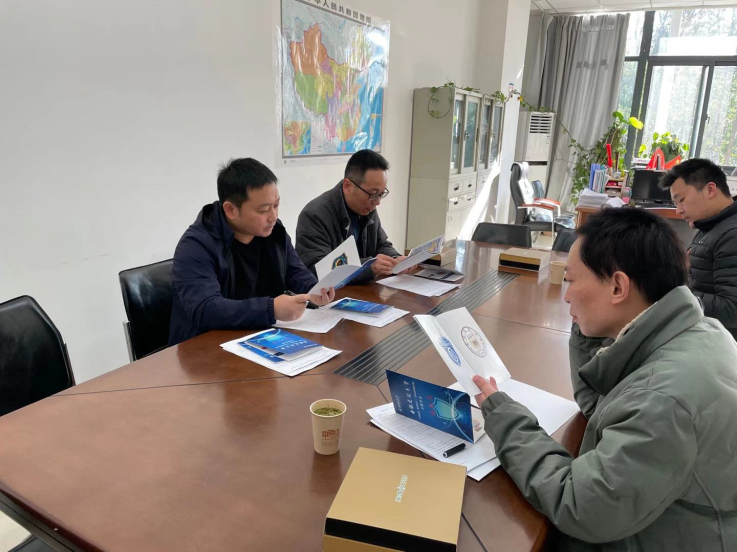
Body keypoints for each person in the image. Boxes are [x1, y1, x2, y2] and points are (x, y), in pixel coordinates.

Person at [472, 208, 737, 551]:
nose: (566, 295)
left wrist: (505, 419)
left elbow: (580, 506)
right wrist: (588, 331)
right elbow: (604, 405)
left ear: (617, 286)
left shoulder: (664, 400)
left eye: (571, 280)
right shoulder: (698, 330)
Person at [169, 158, 334, 345]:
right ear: (230, 210)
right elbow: (206, 309)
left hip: (262, 336)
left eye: (276, 205)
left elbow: (294, 269)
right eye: (263, 210)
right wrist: (270, 309)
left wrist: (314, 289)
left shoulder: (274, 231)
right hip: (207, 347)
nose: (273, 217)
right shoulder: (196, 246)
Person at [295, 149, 404, 283]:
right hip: (331, 294)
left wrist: (395, 259)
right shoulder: (314, 216)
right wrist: (368, 267)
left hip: (361, 290)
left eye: (381, 194)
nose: (377, 202)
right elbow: (318, 270)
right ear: (348, 186)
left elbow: (380, 245)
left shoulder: (367, 208)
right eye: (373, 194)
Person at [660, 158, 737, 339]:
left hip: (720, 343)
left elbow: (732, 309)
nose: (678, 210)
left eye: (681, 200)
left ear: (710, 189)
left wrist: (672, 294)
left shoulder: (732, 235)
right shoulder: (710, 226)